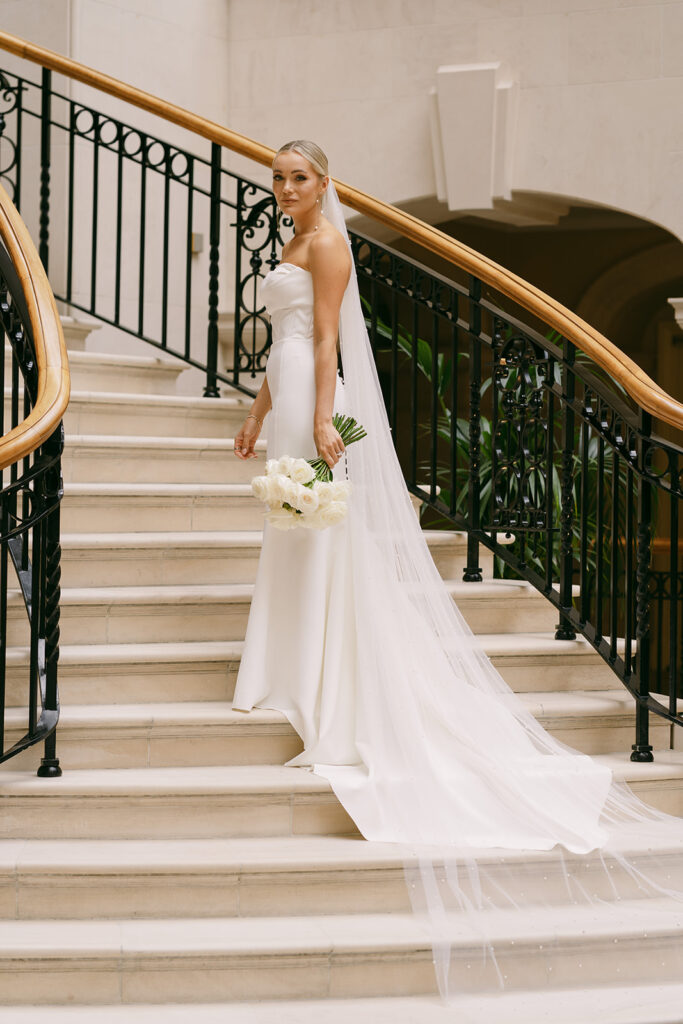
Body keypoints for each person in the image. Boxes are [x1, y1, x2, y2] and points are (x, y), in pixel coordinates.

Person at [231, 140, 683, 999]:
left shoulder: (327, 242)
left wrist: (324, 423)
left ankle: (323, 677)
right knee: (289, 527)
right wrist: (260, 411)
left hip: (318, 398)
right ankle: (285, 665)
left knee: (316, 523)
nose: (286, 190)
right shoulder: (285, 243)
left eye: (299, 178)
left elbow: (326, 337)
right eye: (279, 179)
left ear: (324, 185)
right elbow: (284, 341)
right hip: (287, 390)